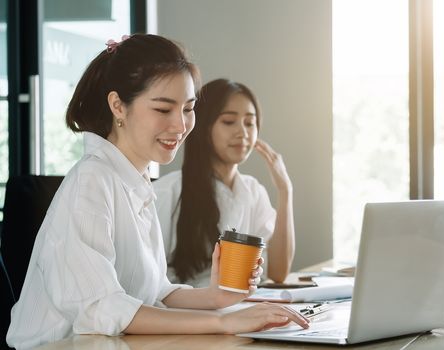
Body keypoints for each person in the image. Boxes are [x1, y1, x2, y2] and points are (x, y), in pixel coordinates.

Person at [6, 35, 307, 349]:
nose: (180, 125)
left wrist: (216, 298)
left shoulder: (136, 182)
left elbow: (155, 293)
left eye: (188, 109)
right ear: (118, 106)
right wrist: (222, 321)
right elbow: (100, 308)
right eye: (164, 110)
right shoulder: (92, 180)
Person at [153, 78, 295, 287]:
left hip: (240, 310)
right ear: (203, 126)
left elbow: (278, 273)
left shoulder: (253, 191)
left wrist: (285, 191)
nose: (243, 132)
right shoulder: (168, 191)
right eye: (229, 122)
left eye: (249, 122)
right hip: (188, 313)